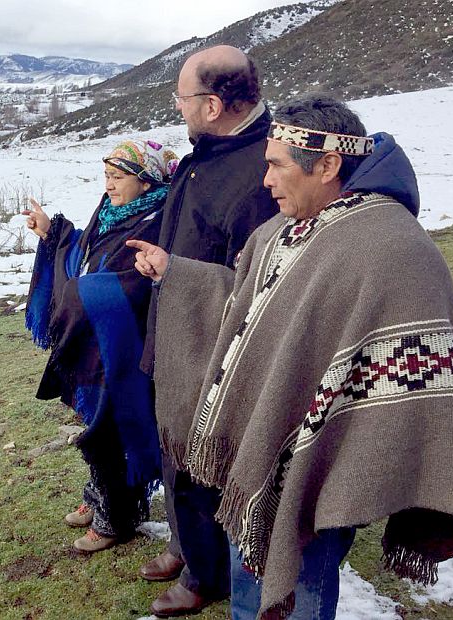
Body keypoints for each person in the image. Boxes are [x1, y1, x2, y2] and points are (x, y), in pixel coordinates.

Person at [128, 94, 453, 619]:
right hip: (258, 453)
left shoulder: (394, 248)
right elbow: (252, 308)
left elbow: (429, 369)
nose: (266, 181)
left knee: (299, 594)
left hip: (325, 460)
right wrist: (177, 272)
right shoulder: (283, 228)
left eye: (276, 165)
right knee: (251, 582)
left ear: (328, 164)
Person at [136, 45, 279, 618]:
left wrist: (177, 272)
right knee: (174, 453)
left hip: (211, 348)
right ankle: (184, 543)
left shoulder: (258, 175)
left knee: (199, 461)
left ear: (214, 105)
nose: (178, 107)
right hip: (174, 329)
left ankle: (206, 576)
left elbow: (258, 282)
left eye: (183, 97)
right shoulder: (209, 154)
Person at [23, 139, 179, 553]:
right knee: (94, 424)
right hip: (91, 340)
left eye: (118, 176)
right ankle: (100, 496)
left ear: (145, 182)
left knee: (112, 429)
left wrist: (88, 292)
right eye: (106, 175)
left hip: (125, 345)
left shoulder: (159, 219)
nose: (108, 184)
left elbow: (138, 284)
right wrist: (51, 232)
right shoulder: (109, 210)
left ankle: (119, 517)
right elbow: (82, 253)